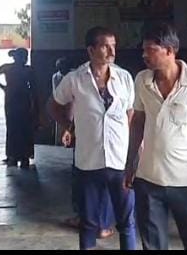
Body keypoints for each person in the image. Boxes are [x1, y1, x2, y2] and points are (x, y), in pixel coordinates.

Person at [125, 23, 187, 251]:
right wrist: (130, 163)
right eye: (143, 49)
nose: (144, 55)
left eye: (150, 50)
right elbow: (137, 122)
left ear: (169, 50)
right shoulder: (142, 80)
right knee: (153, 245)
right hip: (148, 180)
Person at [51, 27, 138, 250]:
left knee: (126, 222)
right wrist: (69, 127)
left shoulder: (124, 78)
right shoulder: (75, 79)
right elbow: (54, 105)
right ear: (91, 50)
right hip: (88, 161)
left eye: (114, 46)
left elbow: (130, 113)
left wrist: (128, 144)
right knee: (89, 223)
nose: (112, 51)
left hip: (120, 161)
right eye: (105, 46)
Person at [0, 47, 38, 168]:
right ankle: (23, 156)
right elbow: (34, 87)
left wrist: (4, 87)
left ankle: (13, 155)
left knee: (13, 127)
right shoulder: (28, 70)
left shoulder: (7, 68)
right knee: (23, 128)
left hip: (12, 99)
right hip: (23, 99)